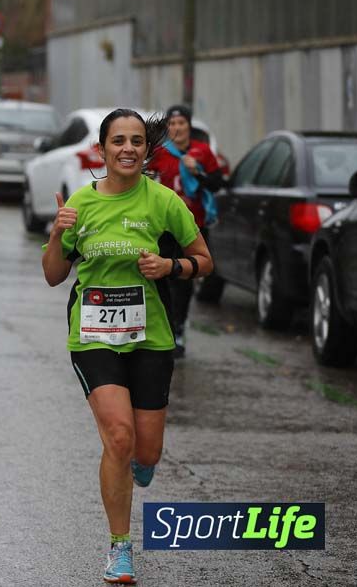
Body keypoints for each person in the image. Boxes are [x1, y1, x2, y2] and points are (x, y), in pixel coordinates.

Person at [40, 108, 214, 585]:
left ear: (145, 149)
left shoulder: (163, 202)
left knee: (147, 451)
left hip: (150, 338)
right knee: (118, 436)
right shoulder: (82, 203)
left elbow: (204, 260)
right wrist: (58, 232)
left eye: (137, 140)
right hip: (93, 336)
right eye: (118, 141)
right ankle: (120, 548)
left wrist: (169, 267)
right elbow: (55, 275)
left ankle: (142, 461)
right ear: (102, 150)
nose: (128, 149)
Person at [147, 104, 223, 358]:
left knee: (187, 278)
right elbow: (144, 181)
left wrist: (197, 173)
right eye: (172, 124)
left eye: (182, 124)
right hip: (164, 228)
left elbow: (218, 183)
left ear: (189, 127)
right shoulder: (159, 154)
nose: (177, 128)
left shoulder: (203, 152)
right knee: (163, 277)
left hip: (195, 225)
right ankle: (164, 326)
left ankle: (178, 329)